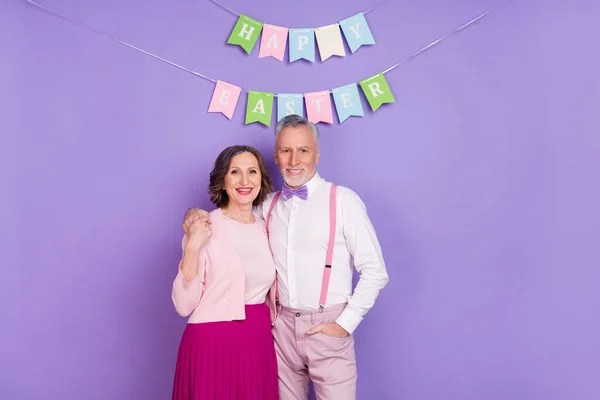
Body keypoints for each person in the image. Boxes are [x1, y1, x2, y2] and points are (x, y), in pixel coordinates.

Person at [183, 115, 389, 400]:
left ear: (316, 154)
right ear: (276, 157)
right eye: (285, 151)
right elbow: (230, 219)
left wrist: (345, 323)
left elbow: (375, 271)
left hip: (327, 325)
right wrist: (193, 215)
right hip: (278, 330)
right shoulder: (266, 206)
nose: (294, 160)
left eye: (303, 150)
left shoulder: (343, 201)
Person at [171, 145, 279, 400]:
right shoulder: (204, 225)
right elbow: (183, 305)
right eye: (235, 172)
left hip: (257, 340)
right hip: (211, 343)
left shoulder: (267, 227)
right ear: (222, 181)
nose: (245, 181)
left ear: (261, 179)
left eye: (252, 171)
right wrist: (193, 245)